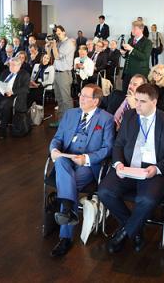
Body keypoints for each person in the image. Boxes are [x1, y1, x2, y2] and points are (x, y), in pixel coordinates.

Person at [98, 83, 164, 254]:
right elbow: (118, 144)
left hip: (152, 170)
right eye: (136, 100)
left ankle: (124, 233)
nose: (138, 105)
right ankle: (135, 229)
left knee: (147, 200)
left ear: (154, 102)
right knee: (104, 192)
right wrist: (118, 164)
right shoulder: (129, 116)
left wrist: (157, 169)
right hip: (127, 166)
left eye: (142, 101)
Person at [48, 84, 114, 257]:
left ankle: (65, 236)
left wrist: (87, 158)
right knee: (61, 160)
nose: (81, 98)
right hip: (66, 159)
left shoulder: (106, 119)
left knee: (70, 187)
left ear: (96, 101)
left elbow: (108, 148)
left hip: (87, 164)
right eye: (81, 95)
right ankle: (69, 209)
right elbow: (57, 138)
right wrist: (54, 150)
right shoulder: (70, 114)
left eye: (85, 96)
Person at [48, 25, 76, 128]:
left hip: (64, 74)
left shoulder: (69, 43)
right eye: (56, 33)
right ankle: (61, 121)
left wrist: (54, 45)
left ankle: (69, 123)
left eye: (59, 33)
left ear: (64, 32)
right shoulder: (59, 43)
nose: (57, 35)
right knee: (59, 99)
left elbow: (57, 56)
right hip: (57, 73)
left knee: (66, 100)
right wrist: (50, 45)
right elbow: (50, 55)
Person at [120, 21, 152, 93]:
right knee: (125, 93)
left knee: (137, 94)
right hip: (127, 72)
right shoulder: (130, 40)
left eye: (134, 29)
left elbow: (145, 57)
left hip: (138, 73)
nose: (132, 30)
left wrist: (131, 49)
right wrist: (124, 54)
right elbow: (128, 56)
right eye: (132, 28)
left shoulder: (147, 42)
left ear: (141, 29)